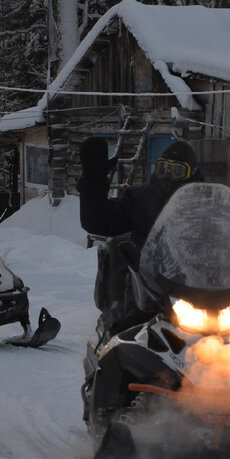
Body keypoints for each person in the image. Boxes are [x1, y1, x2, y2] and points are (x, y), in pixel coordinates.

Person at [78, 137, 201, 425]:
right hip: (146, 293)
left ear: (192, 175)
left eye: (177, 171)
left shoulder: (204, 206)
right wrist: (94, 183)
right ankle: (107, 412)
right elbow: (99, 221)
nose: (167, 176)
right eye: (163, 168)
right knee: (125, 336)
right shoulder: (139, 199)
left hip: (198, 294)